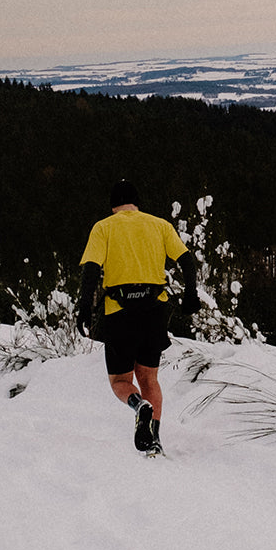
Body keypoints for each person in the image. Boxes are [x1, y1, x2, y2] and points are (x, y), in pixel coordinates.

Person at [77, 180, 197, 454]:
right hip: (154, 311)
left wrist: (84, 307)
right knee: (149, 378)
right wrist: (191, 294)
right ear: (137, 203)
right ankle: (153, 439)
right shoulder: (160, 225)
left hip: (120, 312)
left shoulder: (104, 227)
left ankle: (138, 405)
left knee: (120, 381)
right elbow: (187, 260)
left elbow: (91, 270)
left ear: (113, 205)